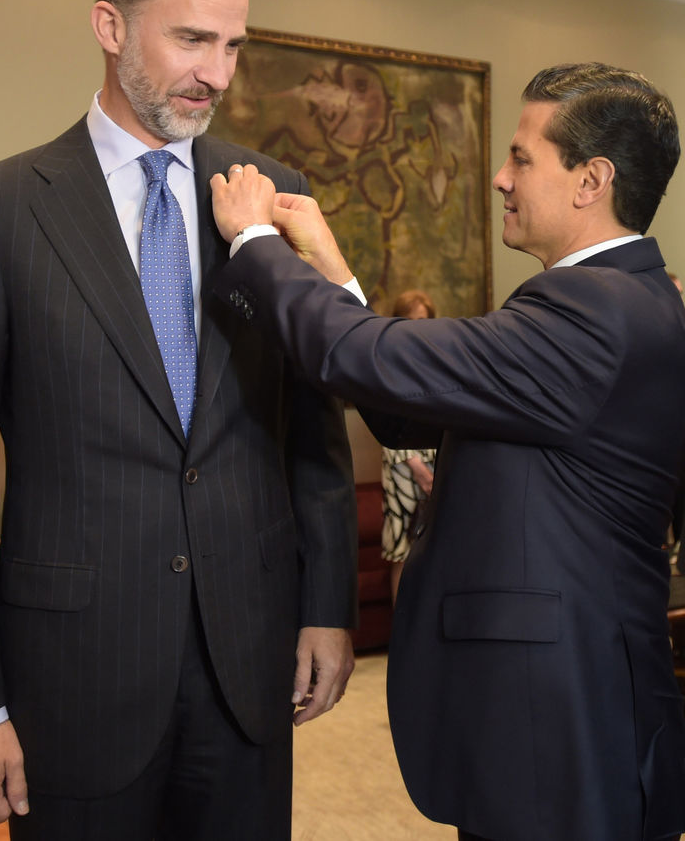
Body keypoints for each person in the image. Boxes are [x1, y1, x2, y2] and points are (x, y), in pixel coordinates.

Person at [209, 62, 685, 841]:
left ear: (591, 180)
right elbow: (405, 409)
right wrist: (334, 269)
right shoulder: (624, 301)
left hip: (564, 727)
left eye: (523, 157)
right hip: (554, 720)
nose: (500, 177)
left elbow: (366, 358)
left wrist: (256, 241)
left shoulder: (597, 310)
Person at [0, 0, 358, 840]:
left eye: (231, 44)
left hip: (247, 663)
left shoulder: (270, 192)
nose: (216, 73)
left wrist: (326, 607)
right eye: (191, 38)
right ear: (110, 27)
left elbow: (315, 427)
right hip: (71, 675)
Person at [381, 290, 437, 601]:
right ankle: (399, 636)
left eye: (425, 321)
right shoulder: (388, 357)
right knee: (402, 551)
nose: (420, 326)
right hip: (401, 466)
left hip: (433, 459)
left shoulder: (433, 356)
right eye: (413, 320)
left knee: (431, 551)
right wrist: (418, 469)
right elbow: (387, 413)